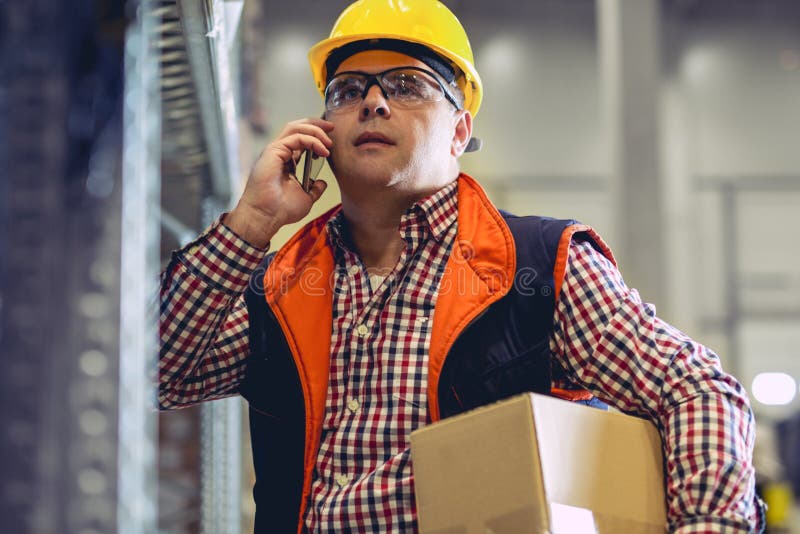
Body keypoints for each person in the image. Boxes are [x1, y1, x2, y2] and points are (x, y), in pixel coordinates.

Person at [159, 0, 765, 532]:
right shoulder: (280, 285)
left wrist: (709, 525)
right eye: (348, 91)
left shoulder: (542, 270)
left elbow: (696, 389)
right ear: (323, 132)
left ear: (460, 130)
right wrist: (251, 224)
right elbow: (160, 374)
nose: (372, 102)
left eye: (407, 84)